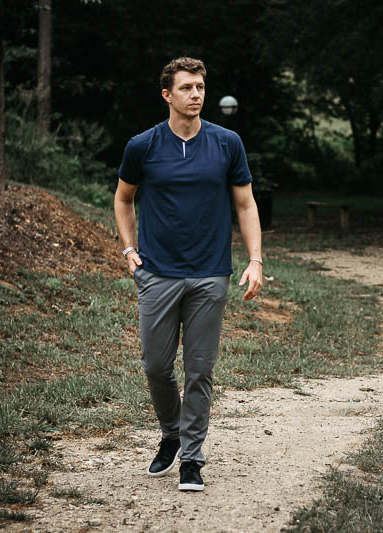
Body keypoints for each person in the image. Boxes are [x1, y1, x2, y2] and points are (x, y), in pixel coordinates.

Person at [114, 57, 263, 492]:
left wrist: (255, 259)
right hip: (157, 273)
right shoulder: (142, 146)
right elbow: (124, 199)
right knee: (157, 365)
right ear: (167, 95)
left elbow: (246, 204)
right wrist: (129, 248)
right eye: (186, 88)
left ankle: (192, 459)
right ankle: (171, 432)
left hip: (210, 274)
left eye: (200, 87)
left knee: (200, 370)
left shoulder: (226, 143)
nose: (196, 94)